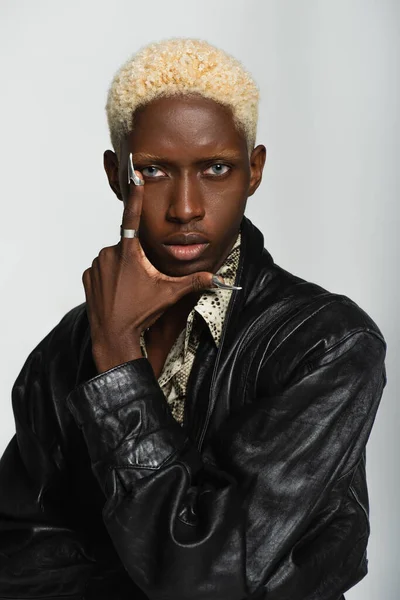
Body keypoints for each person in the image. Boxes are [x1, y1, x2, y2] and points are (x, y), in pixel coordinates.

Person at [0, 38, 386, 600]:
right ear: (116, 175)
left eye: (216, 168)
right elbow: (15, 557)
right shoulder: (65, 349)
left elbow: (208, 576)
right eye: (153, 171)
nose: (186, 207)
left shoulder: (326, 344)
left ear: (254, 170)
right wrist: (109, 344)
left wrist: (118, 370)